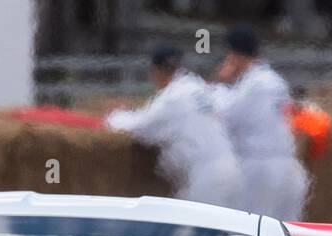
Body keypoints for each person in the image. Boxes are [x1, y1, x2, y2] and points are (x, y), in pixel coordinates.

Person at [105, 47, 243, 209]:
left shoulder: (173, 97)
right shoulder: (197, 86)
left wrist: (113, 116)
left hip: (206, 175)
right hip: (231, 168)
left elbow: (139, 126)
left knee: (195, 228)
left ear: (157, 71)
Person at [212, 26, 309, 221]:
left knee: (253, 231)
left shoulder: (253, 84)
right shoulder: (273, 80)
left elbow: (224, 115)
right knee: (290, 233)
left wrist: (222, 82)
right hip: (288, 167)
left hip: (260, 167)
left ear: (234, 55)